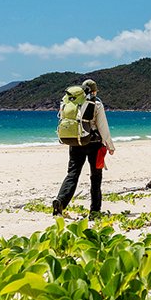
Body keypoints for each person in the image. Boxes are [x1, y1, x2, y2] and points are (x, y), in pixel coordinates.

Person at [52, 79, 115, 217]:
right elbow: (103, 127)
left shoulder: (69, 102)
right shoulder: (96, 104)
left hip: (76, 142)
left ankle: (60, 201)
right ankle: (95, 210)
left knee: (72, 174)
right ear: (94, 91)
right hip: (94, 144)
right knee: (96, 177)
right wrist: (110, 146)